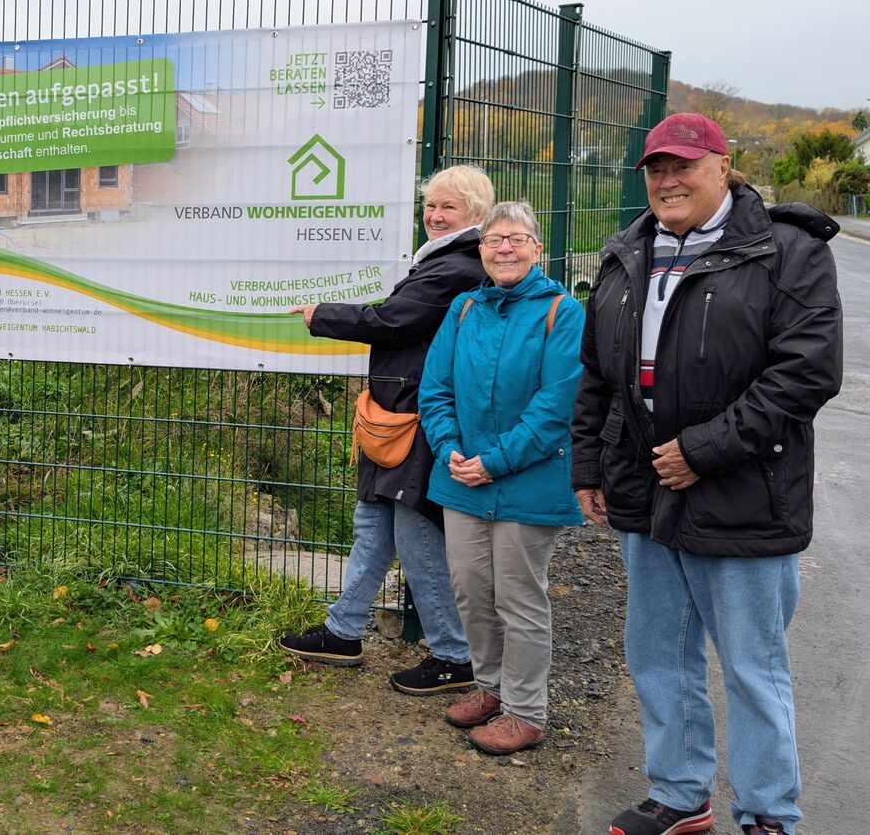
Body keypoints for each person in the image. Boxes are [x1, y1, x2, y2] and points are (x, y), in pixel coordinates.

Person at [571, 113, 842, 835]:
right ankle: (681, 793)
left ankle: (768, 815)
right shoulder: (627, 252)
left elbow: (806, 373)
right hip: (645, 488)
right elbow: (597, 373)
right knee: (658, 655)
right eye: (656, 169)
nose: (668, 180)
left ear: (724, 167)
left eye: (684, 166)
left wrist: (706, 449)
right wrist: (590, 464)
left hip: (744, 490)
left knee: (753, 669)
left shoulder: (785, 251)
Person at [277, 165, 491, 696]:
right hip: (397, 412)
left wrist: (323, 314)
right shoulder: (444, 259)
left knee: (416, 532)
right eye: (431, 206)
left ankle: (454, 654)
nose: (436, 216)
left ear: (477, 216)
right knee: (372, 521)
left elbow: (396, 318)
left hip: (420, 415)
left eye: (450, 208)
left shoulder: (457, 267)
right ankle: (343, 629)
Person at [417, 200, 583, 755]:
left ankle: (526, 712)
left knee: (519, 599)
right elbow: (434, 389)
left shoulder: (563, 311)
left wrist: (496, 461)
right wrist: (450, 450)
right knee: (471, 592)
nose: (504, 248)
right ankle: (490, 689)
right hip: (461, 477)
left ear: (537, 248)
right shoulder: (464, 308)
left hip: (527, 481)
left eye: (516, 238)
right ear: (481, 249)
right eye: (493, 240)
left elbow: (555, 406)